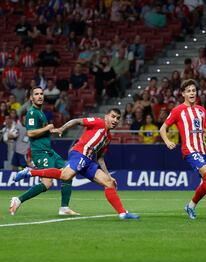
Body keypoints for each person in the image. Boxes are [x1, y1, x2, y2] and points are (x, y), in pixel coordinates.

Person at [13, 106, 139, 220]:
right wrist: (62, 128)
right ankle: (29, 172)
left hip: (88, 161)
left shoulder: (108, 137)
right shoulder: (98, 122)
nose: (115, 120)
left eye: (118, 118)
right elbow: (77, 121)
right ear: (106, 116)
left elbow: (100, 158)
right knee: (66, 176)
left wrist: (109, 175)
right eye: (113, 117)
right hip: (80, 153)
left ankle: (123, 213)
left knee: (109, 183)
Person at [159, 79, 206, 220]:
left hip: (203, 149)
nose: (192, 93)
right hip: (189, 150)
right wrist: (167, 141)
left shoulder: (201, 111)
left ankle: (190, 206)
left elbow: (204, 132)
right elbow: (162, 128)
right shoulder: (177, 111)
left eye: (194, 90)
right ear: (183, 94)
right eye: (189, 91)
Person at [9, 87, 78, 216]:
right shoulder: (32, 113)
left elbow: (41, 130)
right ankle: (18, 199)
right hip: (40, 152)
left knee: (68, 174)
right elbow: (30, 132)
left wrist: (53, 130)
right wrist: (47, 127)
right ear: (31, 98)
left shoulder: (41, 113)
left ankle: (64, 208)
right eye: (36, 94)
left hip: (49, 151)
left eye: (41, 94)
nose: (40, 96)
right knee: (47, 184)